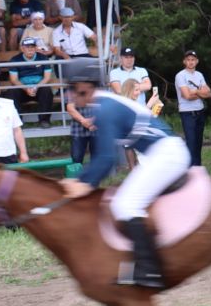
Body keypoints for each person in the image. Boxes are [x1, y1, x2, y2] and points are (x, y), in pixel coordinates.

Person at [57, 58, 190, 289]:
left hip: (166, 154)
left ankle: (150, 270)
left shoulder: (105, 108)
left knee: (125, 205)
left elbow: (106, 159)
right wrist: (81, 181)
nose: (69, 95)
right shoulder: (104, 104)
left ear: (85, 87)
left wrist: (81, 183)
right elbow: (105, 158)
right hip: (159, 152)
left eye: (71, 89)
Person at [174, 50, 210, 162]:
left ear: (197, 61)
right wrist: (200, 92)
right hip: (187, 113)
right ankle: (190, 168)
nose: (191, 62)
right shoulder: (180, 75)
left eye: (193, 60)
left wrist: (194, 91)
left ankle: (197, 167)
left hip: (199, 111)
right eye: (188, 60)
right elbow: (186, 96)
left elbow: (209, 93)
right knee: (191, 142)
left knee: (198, 142)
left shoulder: (199, 75)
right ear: (184, 61)